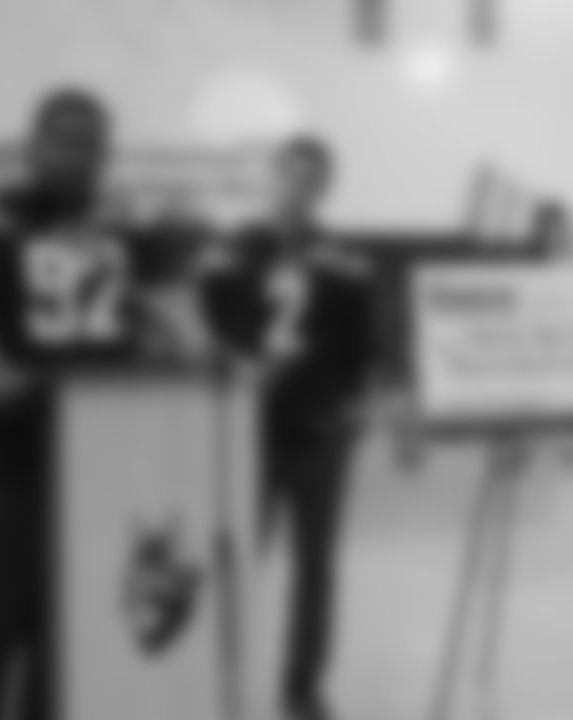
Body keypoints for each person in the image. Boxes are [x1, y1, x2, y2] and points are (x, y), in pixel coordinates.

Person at [0, 87, 142, 720]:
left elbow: (155, 316)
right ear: (34, 146)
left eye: (94, 146)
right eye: (67, 142)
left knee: (66, 660)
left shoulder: (117, 231)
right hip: (3, 474)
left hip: (94, 480)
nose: (81, 158)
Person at [198, 135, 377, 720]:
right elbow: (203, 322)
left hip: (321, 431)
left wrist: (358, 406)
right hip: (248, 428)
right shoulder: (231, 248)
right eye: (291, 173)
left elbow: (363, 344)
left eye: (313, 177)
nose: (300, 186)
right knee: (238, 556)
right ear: (272, 175)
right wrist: (235, 365)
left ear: (326, 187)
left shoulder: (347, 258)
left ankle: (303, 683)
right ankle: (218, 672)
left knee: (316, 565)